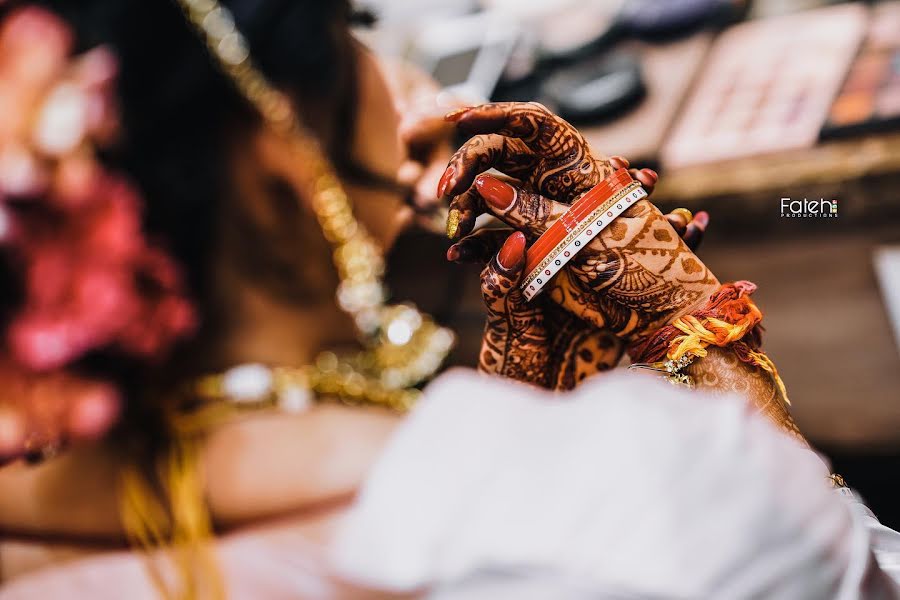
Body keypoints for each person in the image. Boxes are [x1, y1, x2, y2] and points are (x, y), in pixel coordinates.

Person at [1, 1, 897, 598]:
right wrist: (695, 332)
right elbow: (856, 575)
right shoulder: (672, 494)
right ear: (281, 163)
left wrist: (519, 423)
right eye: (352, 23)